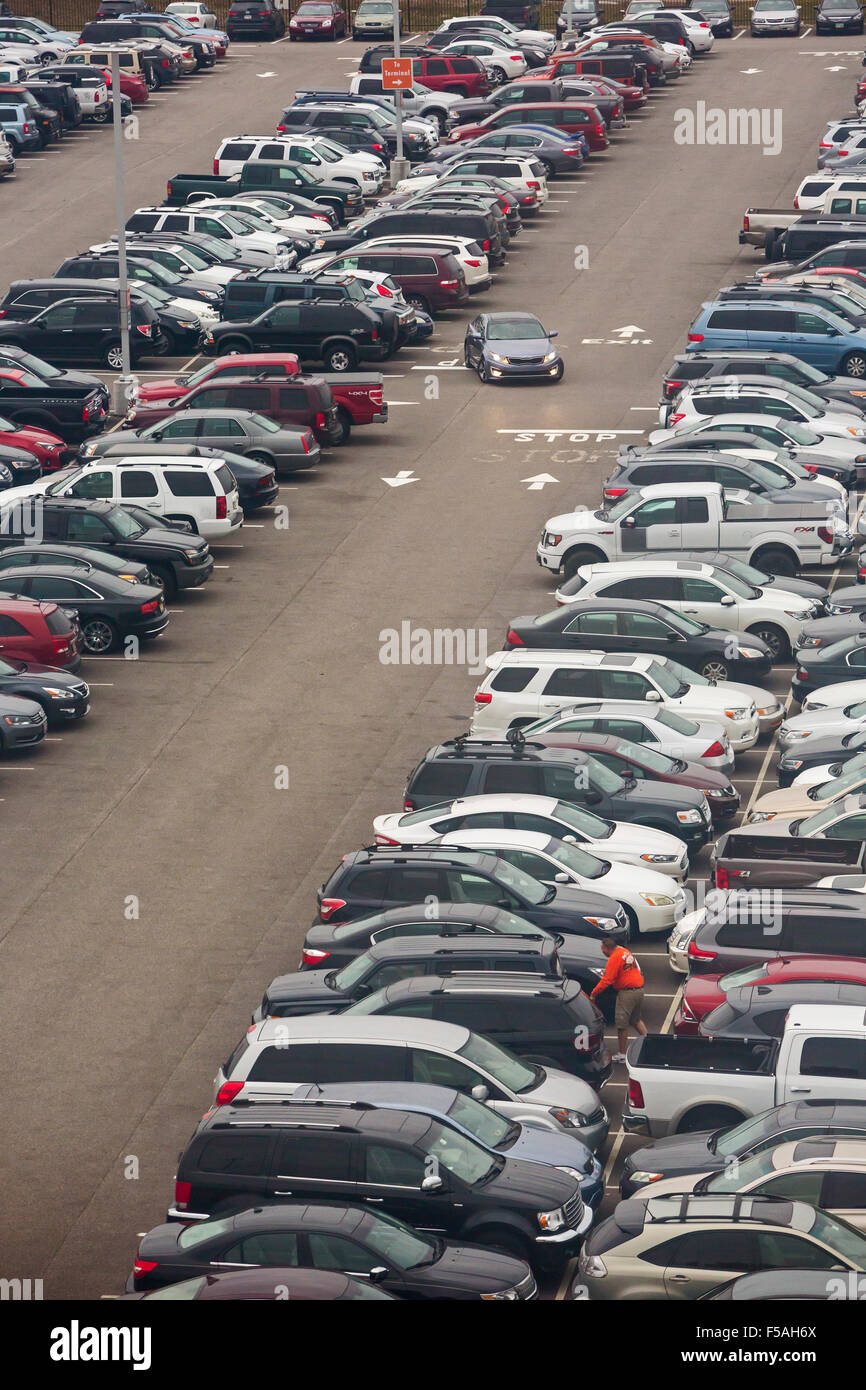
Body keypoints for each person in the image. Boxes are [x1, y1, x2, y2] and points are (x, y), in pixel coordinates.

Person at [589, 937, 646, 1063]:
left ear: (606, 949)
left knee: (621, 1024)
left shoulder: (614, 958)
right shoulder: (623, 951)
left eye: (602, 949)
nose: (602, 952)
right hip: (639, 990)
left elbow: (607, 980)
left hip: (627, 993)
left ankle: (622, 1054)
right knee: (636, 1020)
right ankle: (649, 1042)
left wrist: (594, 994)